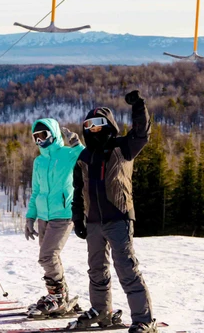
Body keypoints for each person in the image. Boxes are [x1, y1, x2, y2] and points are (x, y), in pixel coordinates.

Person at [71, 91, 157, 333]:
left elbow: (142, 133)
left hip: (119, 217)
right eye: (89, 125)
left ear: (108, 124)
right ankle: (102, 312)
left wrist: (139, 106)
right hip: (94, 222)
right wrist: (78, 219)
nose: (93, 129)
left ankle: (144, 320)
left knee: (126, 269)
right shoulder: (84, 157)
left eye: (98, 124)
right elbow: (78, 190)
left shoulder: (123, 147)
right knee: (96, 270)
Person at [25, 118, 84, 316]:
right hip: (43, 216)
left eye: (43, 135)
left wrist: (76, 143)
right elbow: (36, 191)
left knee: (47, 256)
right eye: (36, 137)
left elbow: (86, 158)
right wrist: (30, 217)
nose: (39, 140)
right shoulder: (39, 161)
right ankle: (60, 296)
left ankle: (57, 297)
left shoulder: (67, 154)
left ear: (53, 133)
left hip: (63, 214)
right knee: (50, 258)